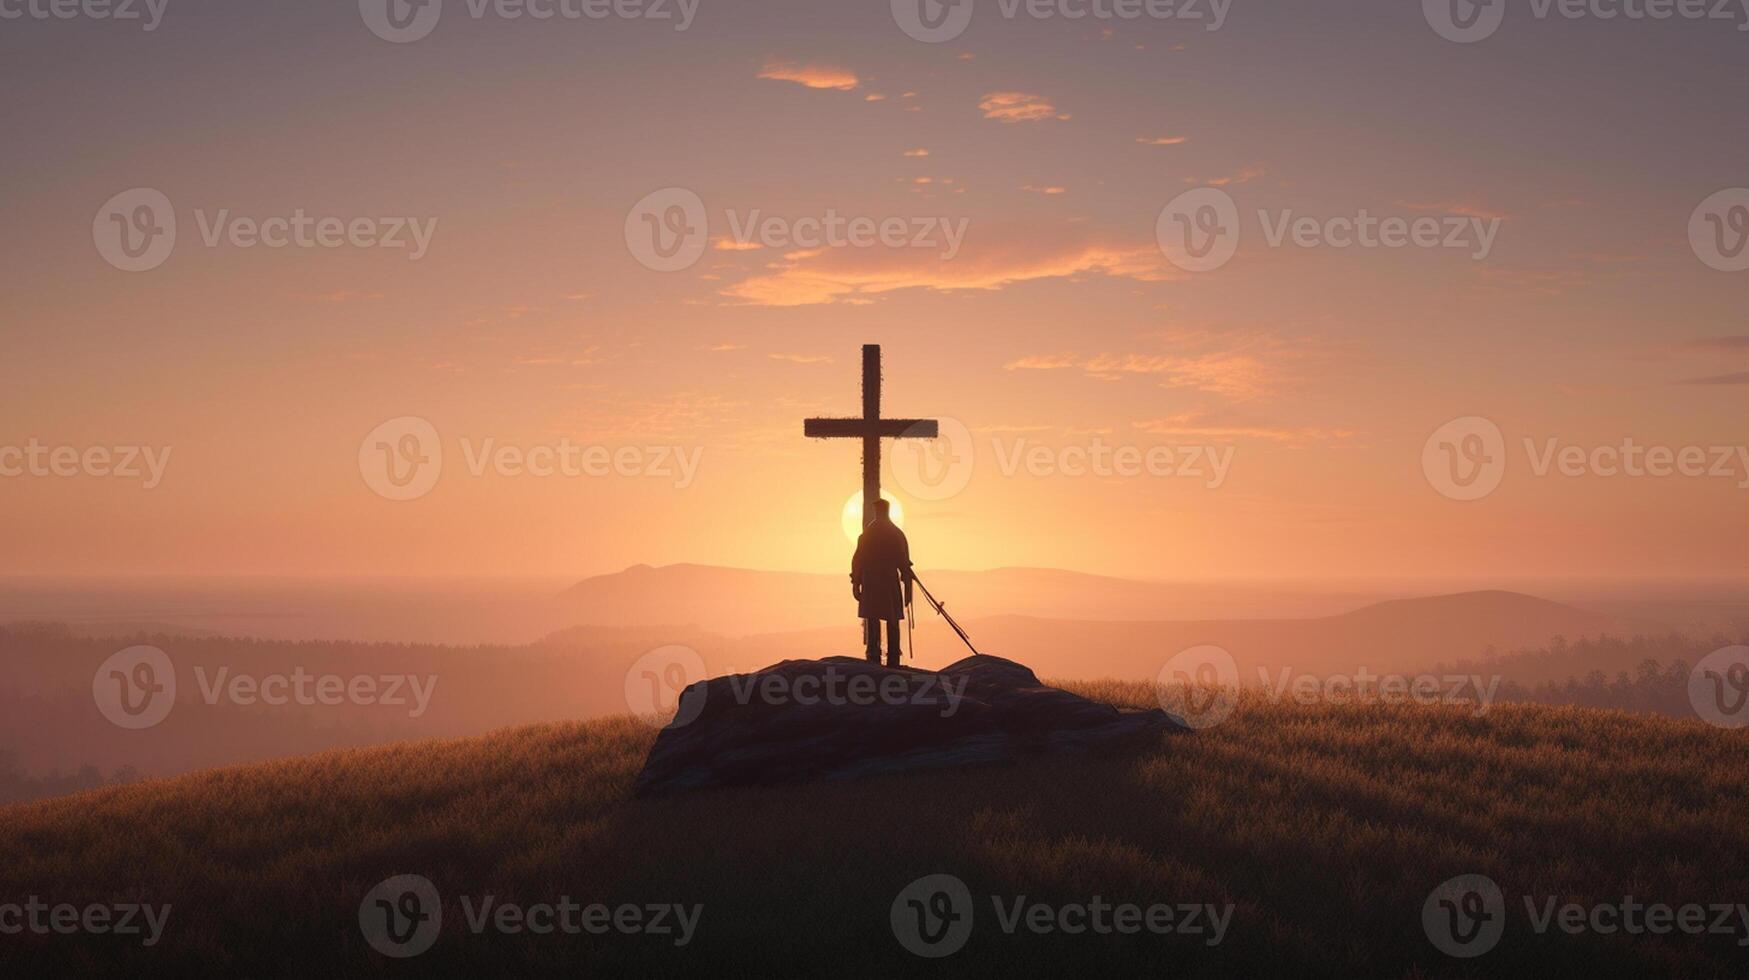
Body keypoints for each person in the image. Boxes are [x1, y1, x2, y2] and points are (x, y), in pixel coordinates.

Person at [850, 498, 913, 667]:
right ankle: (893, 657)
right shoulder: (896, 533)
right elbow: (904, 563)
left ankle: (873, 655)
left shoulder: (867, 534)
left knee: (873, 617)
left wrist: (856, 582)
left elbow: (857, 560)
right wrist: (908, 587)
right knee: (890, 619)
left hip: (871, 581)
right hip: (887, 581)